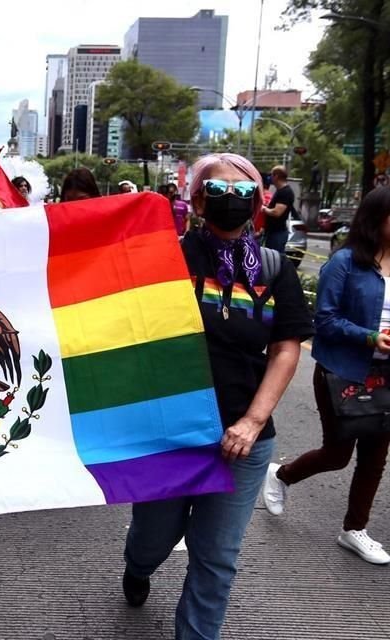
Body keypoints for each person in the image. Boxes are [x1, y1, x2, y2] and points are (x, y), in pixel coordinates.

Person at [122, 153, 313, 639]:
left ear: (258, 202)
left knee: (216, 559)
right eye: (220, 191)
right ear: (198, 198)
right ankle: (138, 566)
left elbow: (287, 349)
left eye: (245, 192)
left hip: (242, 440)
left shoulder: (274, 269)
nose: (232, 201)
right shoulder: (162, 258)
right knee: (154, 537)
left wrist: (252, 422)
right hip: (169, 434)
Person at [262, 186, 390, 565]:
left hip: (387, 371)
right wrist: (369, 337)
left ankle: (355, 529)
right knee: (337, 453)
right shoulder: (345, 262)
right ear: (376, 218)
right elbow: (325, 319)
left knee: (376, 455)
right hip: (344, 369)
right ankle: (282, 475)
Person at [261, 165, 295, 253]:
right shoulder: (280, 191)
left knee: (274, 259)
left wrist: (264, 208)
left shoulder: (285, 192)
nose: (270, 177)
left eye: (271, 175)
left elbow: (277, 212)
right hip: (272, 232)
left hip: (277, 233)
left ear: (276, 176)